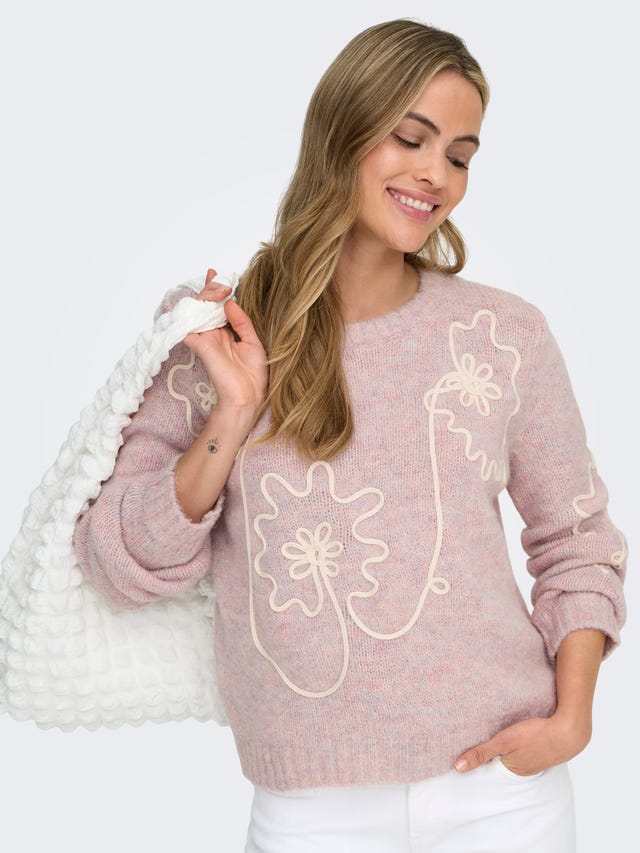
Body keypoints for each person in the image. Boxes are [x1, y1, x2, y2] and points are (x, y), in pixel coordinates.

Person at [72, 18, 627, 853]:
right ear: (342, 130)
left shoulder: (503, 335)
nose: (436, 174)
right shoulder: (215, 332)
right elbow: (121, 561)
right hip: (310, 811)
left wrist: (573, 716)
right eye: (411, 138)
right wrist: (234, 410)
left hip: (503, 798)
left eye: (460, 156)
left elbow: (577, 540)